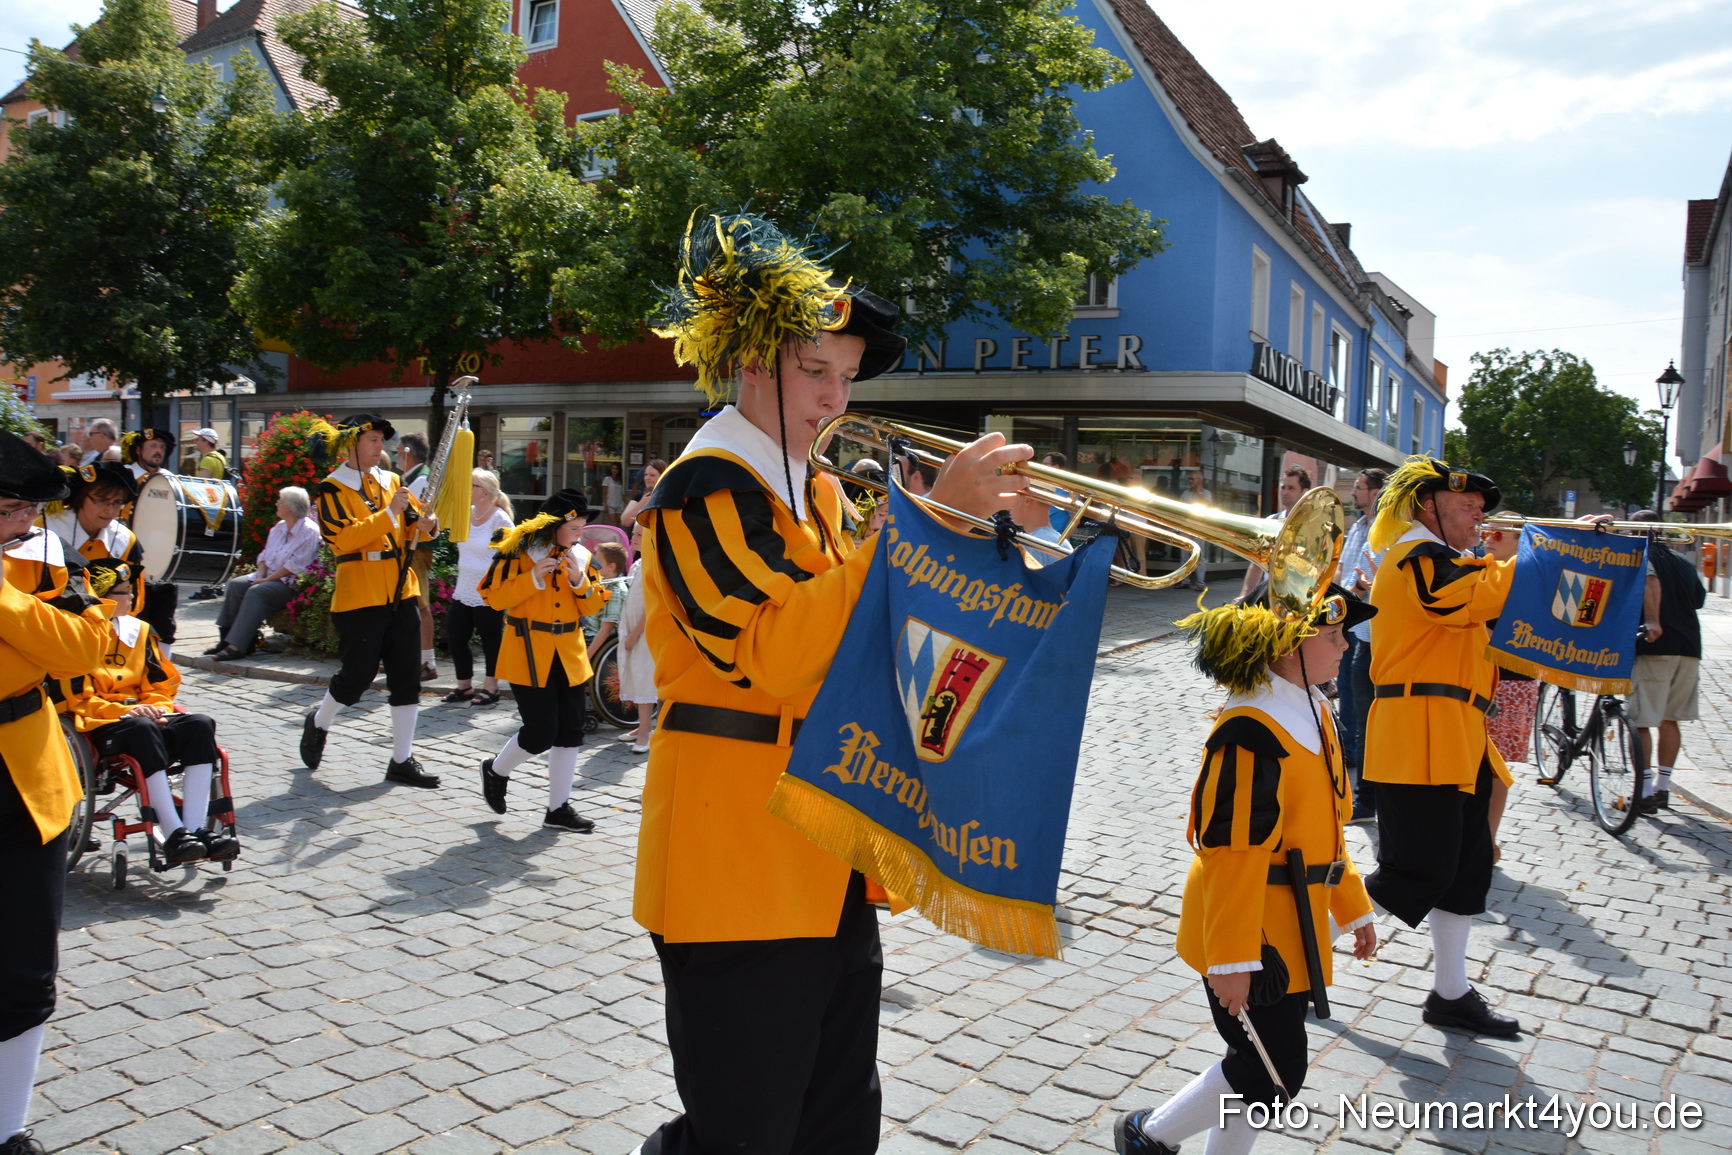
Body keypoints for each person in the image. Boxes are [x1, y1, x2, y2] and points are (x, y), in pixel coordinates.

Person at [632, 211, 1028, 1154]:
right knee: (746, 1132)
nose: (836, 398)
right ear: (749, 362)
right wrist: (921, 526)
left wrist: (979, 557)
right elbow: (777, 653)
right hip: (736, 858)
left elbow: (881, 646)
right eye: (817, 371)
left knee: (840, 1122)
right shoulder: (706, 487)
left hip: (829, 846)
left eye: (846, 378)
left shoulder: (822, 492)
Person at [1115, 583, 1377, 1155]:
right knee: (1274, 1073)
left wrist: (1351, 905)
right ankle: (1147, 1136)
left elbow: (1330, 829)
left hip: (1294, 925)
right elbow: (1232, 855)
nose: (1345, 645)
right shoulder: (1251, 730)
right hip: (1250, 928)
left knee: (1259, 1070)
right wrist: (1231, 959)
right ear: (1289, 647)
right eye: (1332, 636)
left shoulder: (1316, 710)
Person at [1360, 455, 1520, 1037]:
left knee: (1465, 868)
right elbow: (1465, 600)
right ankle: (1291, 965)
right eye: (1468, 504)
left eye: (1482, 507)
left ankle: (1450, 992)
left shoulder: (1451, 560)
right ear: (1428, 506)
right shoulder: (1416, 554)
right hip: (1417, 729)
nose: (1481, 515)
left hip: (1456, 732)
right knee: (1413, 872)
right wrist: (1543, 557)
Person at [0, 429, 113, 1155]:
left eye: (24, 511)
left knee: (23, 962)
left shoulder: (35, 561)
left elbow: (86, 648)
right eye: (9, 510)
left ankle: (7, 1126)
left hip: (26, 778)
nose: (22, 526)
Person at [57, 559, 236, 864]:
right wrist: (128, 710)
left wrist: (155, 706)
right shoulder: (74, 636)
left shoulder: (139, 632)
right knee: (143, 730)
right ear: (100, 598)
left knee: (200, 724)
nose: (133, 597)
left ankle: (195, 829)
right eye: (124, 592)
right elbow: (76, 698)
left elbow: (160, 682)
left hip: (148, 716)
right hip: (102, 722)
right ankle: (175, 834)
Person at [298, 414, 440, 789]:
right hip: (359, 592)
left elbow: (410, 524)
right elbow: (342, 540)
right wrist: (389, 512)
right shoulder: (331, 489)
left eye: (382, 441)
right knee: (357, 677)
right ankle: (319, 721)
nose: (382, 447)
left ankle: (402, 759)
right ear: (352, 445)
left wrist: (427, 525)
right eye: (374, 440)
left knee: (406, 676)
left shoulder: (393, 481)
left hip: (401, 587)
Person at [476, 490, 610, 831]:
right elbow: (492, 596)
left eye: (583, 527)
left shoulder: (582, 556)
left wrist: (579, 579)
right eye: (576, 527)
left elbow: (594, 606)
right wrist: (532, 577)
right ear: (554, 526)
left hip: (570, 652)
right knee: (540, 732)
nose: (581, 533)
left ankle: (558, 809)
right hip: (527, 651)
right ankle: (496, 770)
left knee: (571, 731)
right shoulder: (516, 551)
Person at [1628, 508, 1705, 814]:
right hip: (1689, 647)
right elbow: (1699, 600)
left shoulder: (1636, 559)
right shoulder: (1684, 562)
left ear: (1634, 532)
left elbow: (1648, 585)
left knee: (1642, 720)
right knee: (1669, 719)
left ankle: (1644, 792)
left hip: (1653, 646)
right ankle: (1663, 787)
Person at [206, 487, 319, 661]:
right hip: (268, 576)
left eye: (280, 501)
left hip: (289, 582)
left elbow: (295, 566)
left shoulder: (310, 531)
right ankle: (226, 641)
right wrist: (260, 575)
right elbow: (265, 555)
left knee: (256, 592)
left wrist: (266, 580)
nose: (276, 504)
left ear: (289, 507)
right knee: (236, 585)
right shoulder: (279, 527)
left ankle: (236, 646)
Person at [1334, 467, 1386, 816]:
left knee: (1371, 719)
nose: (1354, 494)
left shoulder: (1386, 535)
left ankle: (1369, 796)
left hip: (1377, 638)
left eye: (1359, 488)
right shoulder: (1360, 528)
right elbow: (1350, 575)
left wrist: (1370, 586)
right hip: (1358, 629)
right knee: (1352, 701)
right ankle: (1353, 759)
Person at [443, 469, 513, 707]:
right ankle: (464, 686)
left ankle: (491, 688)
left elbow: (509, 557)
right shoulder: (467, 514)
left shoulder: (500, 519)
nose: (466, 489)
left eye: (470, 485)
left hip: (488, 592)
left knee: (490, 640)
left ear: (483, 492)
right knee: (455, 634)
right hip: (464, 588)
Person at [43, 462, 149, 615]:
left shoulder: (125, 540)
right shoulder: (47, 529)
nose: (109, 510)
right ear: (81, 496)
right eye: (101, 500)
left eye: (117, 502)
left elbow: (134, 603)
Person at [397, 432, 440, 682]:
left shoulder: (421, 481)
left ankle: (427, 661)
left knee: (420, 603)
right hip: (408, 547)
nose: (396, 457)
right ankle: (417, 658)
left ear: (407, 453)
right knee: (412, 604)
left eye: (398, 452)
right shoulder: (414, 479)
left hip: (417, 548)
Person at [1237, 465, 1310, 599]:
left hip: (1297, 599)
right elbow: (1257, 564)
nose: (1285, 492)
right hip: (1268, 596)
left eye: (1291, 488)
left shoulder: (1312, 526)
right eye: (1283, 487)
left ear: (1305, 493)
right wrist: (1245, 595)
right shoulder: (1271, 521)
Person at [615, 522, 655, 755]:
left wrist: (636, 632)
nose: (634, 537)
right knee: (633, 674)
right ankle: (643, 725)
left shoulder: (653, 566)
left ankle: (645, 732)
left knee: (644, 678)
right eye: (634, 533)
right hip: (631, 628)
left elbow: (652, 604)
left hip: (645, 632)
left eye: (640, 534)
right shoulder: (638, 565)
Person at [586, 541, 630, 656]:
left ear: (611, 566)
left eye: (598, 562)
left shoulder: (615, 591)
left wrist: (587, 657)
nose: (593, 565)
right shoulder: (601, 583)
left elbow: (606, 629)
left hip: (592, 638)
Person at [1175, 469, 1213, 589]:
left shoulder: (1206, 493)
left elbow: (1206, 504)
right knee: (1184, 556)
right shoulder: (1186, 493)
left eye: (1192, 479)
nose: (1190, 481)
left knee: (1199, 556)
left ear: (1199, 480)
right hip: (1186, 527)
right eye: (1189, 479)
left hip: (1199, 528)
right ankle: (1184, 581)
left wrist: (1198, 492)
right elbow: (1179, 509)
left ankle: (1200, 583)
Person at [620, 457, 665, 527]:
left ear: (662, 477)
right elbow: (624, 521)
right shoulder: (639, 496)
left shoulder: (667, 496)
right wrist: (641, 503)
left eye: (652, 475)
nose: (647, 478)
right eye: (646, 475)